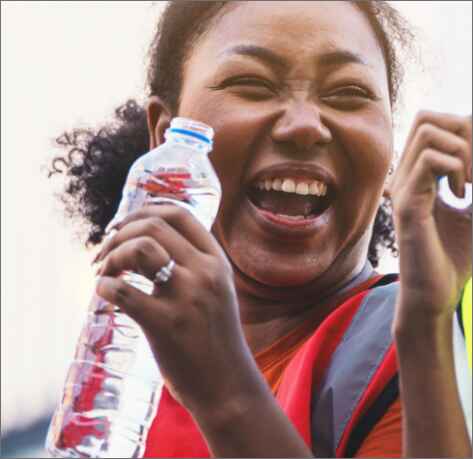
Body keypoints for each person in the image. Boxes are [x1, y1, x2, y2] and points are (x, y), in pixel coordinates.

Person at [49, 1, 472, 457]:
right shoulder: (119, 385)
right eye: (252, 84)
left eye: (348, 93)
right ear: (165, 135)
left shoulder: (420, 355)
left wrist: (224, 390)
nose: (304, 126)